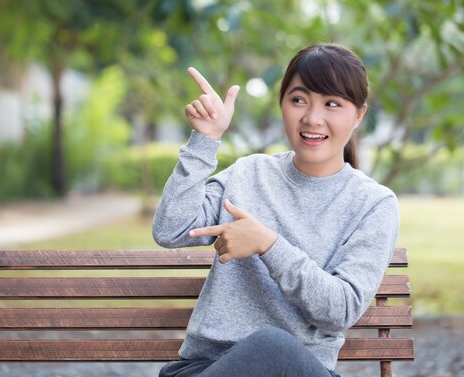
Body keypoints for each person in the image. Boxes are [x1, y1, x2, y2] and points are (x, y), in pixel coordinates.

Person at [152, 43, 400, 377]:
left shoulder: (373, 204)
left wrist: (269, 245)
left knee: (274, 347)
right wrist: (204, 141)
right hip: (208, 369)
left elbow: (340, 310)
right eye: (298, 100)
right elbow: (171, 229)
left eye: (331, 104)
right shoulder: (249, 174)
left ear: (358, 114)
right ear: (282, 104)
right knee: (269, 347)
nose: (312, 118)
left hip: (297, 371)